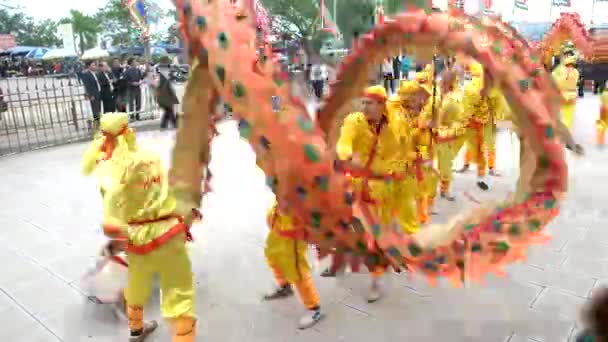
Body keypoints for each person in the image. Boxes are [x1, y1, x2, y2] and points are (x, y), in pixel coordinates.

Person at [94, 112, 198, 341]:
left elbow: (111, 222)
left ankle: (136, 330)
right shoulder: (150, 156)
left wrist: (116, 241)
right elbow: (172, 189)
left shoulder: (108, 174)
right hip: (168, 233)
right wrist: (188, 213)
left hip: (136, 238)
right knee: (178, 291)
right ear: (128, 132)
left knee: (137, 285)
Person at [324, 86, 418, 302]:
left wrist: (408, 163)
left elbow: (404, 147)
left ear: (382, 105)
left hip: (386, 187)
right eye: (363, 102)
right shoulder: (354, 121)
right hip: (360, 186)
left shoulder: (395, 124)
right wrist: (348, 156)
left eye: (370, 103)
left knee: (379, 234)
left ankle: (377, 273)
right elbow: (344, 143)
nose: (364, 107)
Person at [434, 69, 466, 201]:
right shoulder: (438, 94)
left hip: (445, 135)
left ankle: (444, 190)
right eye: (441, 81)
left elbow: (458, 121)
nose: (441, 84)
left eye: (444, 82)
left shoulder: (453, 100)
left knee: (445, 165)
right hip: (435, 134)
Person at [552, 43, 579, 130]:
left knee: (557, 115)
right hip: (572, 95)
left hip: (560, 95)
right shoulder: (575, 71)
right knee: (568, 116)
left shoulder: (559, 69)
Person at [156, 57, 179, 129]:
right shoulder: (164, 69)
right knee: (169, 109)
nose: (169, 63)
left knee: (168, 110)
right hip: (165, 92)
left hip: (164, 92)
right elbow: (166, 82)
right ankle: (173, 123)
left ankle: (165, 124)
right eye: (168, 61)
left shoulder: (163, 69)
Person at [81, 60, 102, 127]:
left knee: (98, 108)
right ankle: (96, 123)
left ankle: (99, 121)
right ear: (89, 66)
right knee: (95, 109)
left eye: (95, 65)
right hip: (93, 94)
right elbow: (88, 86)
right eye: (93, 65)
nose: (94, 66)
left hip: (98, 92)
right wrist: (91, 95)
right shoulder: (86, 74)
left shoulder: (94, 73)